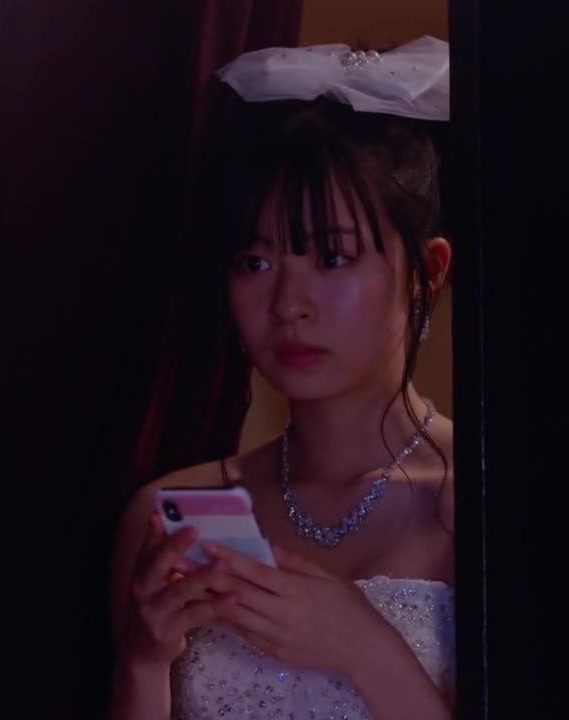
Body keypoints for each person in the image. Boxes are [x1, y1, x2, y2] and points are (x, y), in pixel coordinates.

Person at [110, 37, 456, 720]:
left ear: (428, 271)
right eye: (256, 262)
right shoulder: (168, 511)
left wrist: (367, 651)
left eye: (332, 257)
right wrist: (141, 663)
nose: (288, 305)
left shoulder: (489, 506)